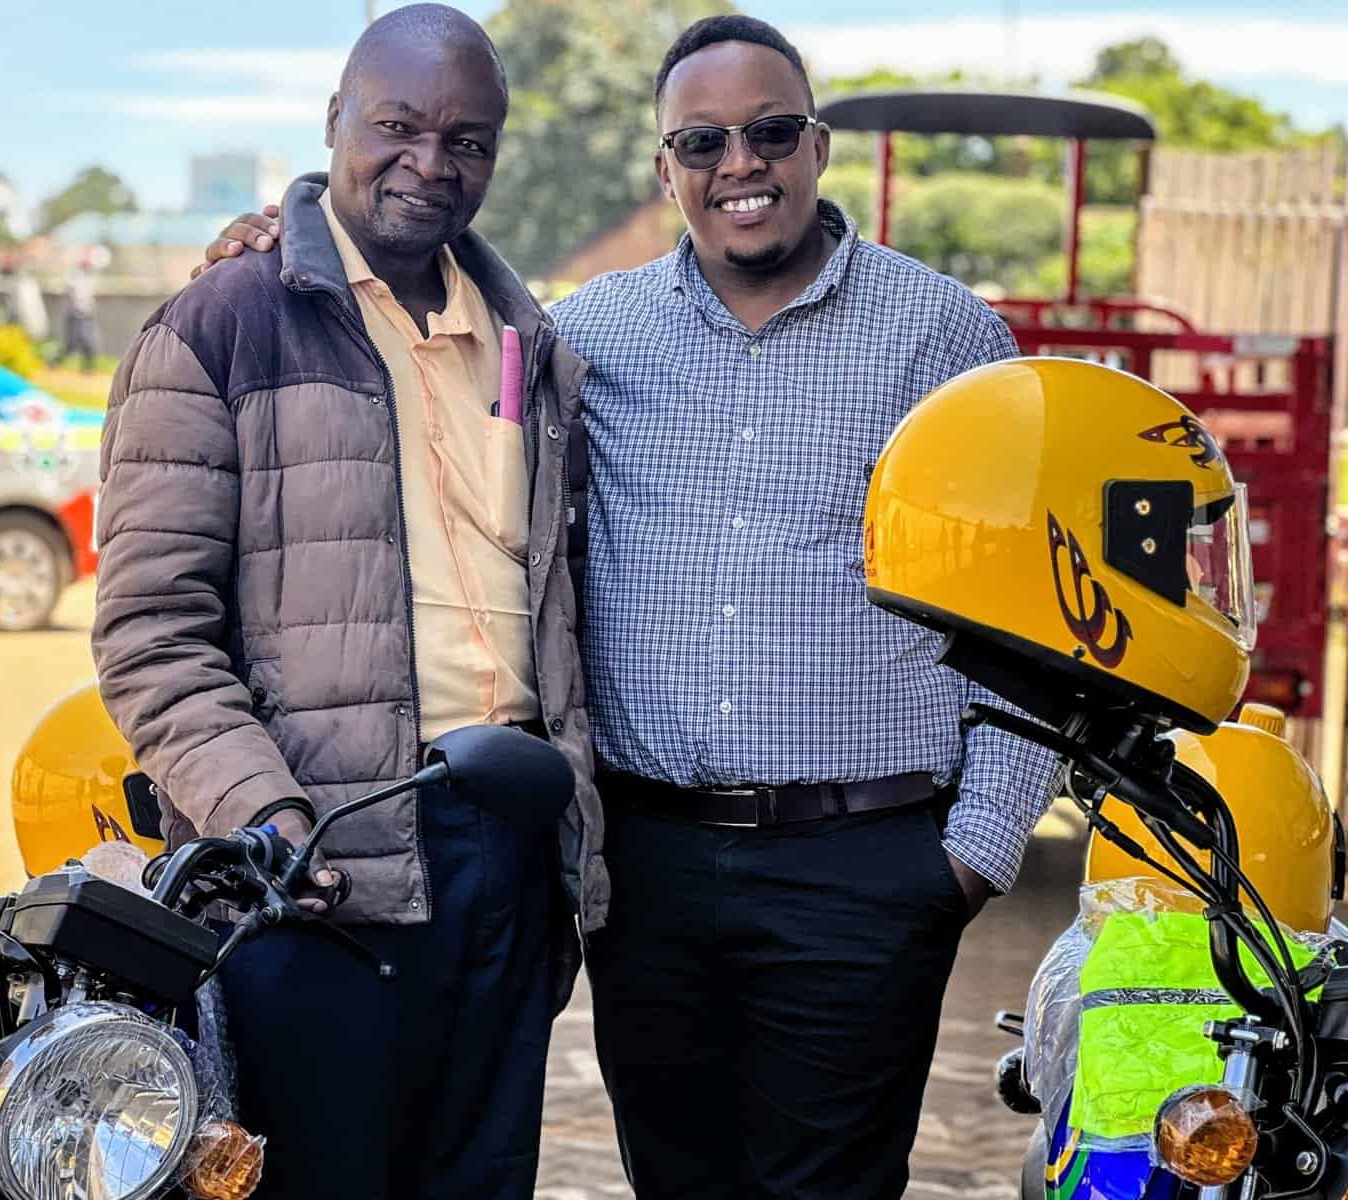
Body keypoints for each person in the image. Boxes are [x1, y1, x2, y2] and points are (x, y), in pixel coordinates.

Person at [201, 16, 1056, 1199]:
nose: (738, 165)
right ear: (666, 169)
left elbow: (1038, 620)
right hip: (644, 873)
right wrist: (269, 248)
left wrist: (972, 856)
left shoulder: (950, 340)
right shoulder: (586, 339)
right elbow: (395, 312)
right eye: (702, 141)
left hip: (863, 868)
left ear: (817, 146)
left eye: (769, 132)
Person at [92, 6, 603, 1199]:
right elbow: (150, 637)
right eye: (400, 127)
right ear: (334, 122)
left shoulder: (532, 343)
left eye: (469, 142)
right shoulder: (219, 326)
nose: (433, 165)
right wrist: (264, 812)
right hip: (310, 865)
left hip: (509, 860)